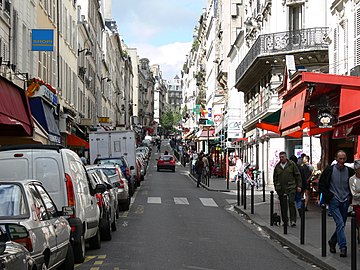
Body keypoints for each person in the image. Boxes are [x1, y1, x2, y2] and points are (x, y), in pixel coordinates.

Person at [319, 150, 355, 257]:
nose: (342, 161)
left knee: (342, 224)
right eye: (340, 159)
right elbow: (322, 185)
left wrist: (350, 196)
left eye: (344, 159)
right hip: (334, 201)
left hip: (345, 200)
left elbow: (353, 182)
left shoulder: (349, 171)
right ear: (336, 159)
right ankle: (343, 247)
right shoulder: (329, 170)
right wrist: (329, 196)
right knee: (339, 223)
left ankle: (332, 241)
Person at [273, 151, 302, 227]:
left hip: (291, 187)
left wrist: (299, 185)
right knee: (283, 205)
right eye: (280, 157)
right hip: (281, 188)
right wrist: (276, 187)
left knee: (291, 203)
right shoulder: (277, 166)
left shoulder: (291, 164)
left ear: (286, 157)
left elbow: (297, 175)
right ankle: (285, 220)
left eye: (283, 157)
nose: (281, 159)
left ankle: (293, 220)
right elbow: (275, 178)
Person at [349, 160, 360, 229]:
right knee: (359, 225)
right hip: (357, 204)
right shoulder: (352, 179)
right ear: (356, 170)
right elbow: (354, 195)